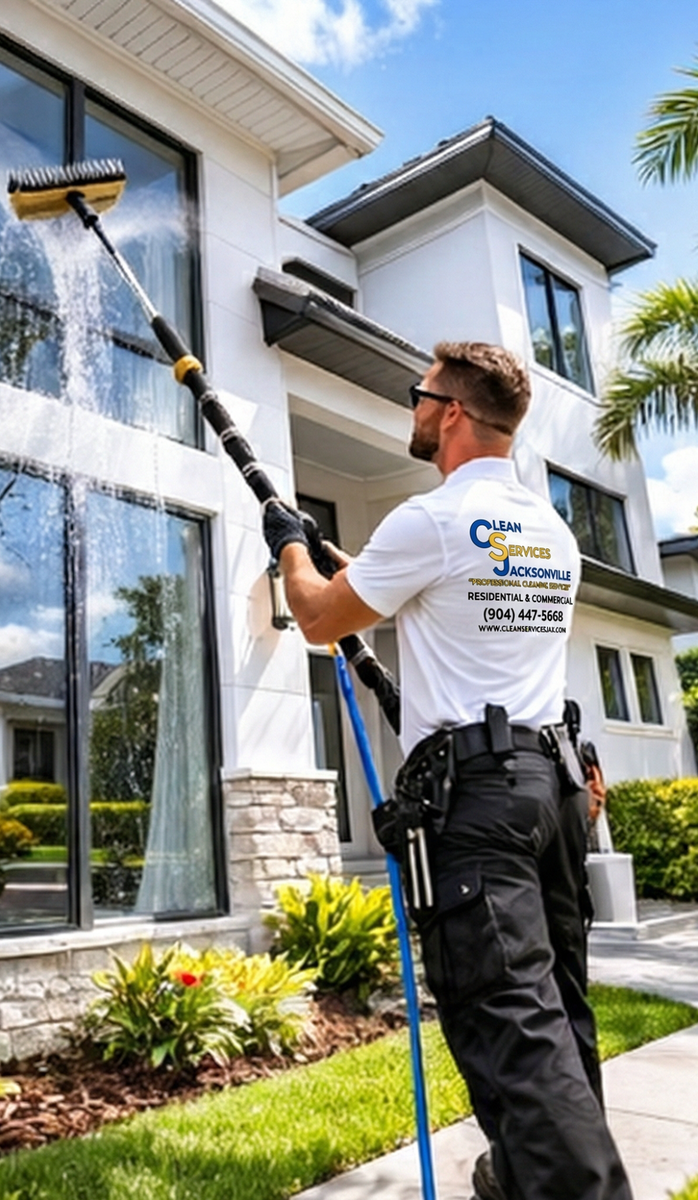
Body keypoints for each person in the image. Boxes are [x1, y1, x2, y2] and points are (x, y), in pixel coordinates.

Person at [263, 342, 632, 1200]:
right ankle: (518, 1177)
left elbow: (320, 618)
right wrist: (335, 553)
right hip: (553, 792)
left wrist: (290, 550)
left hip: (481, 807)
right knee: (560, 1019)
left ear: (452, 411)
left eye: (420, 396)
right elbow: (432, 592)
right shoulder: (549, 532)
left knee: (511, 1021)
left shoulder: (430, 520)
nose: (414, 409)